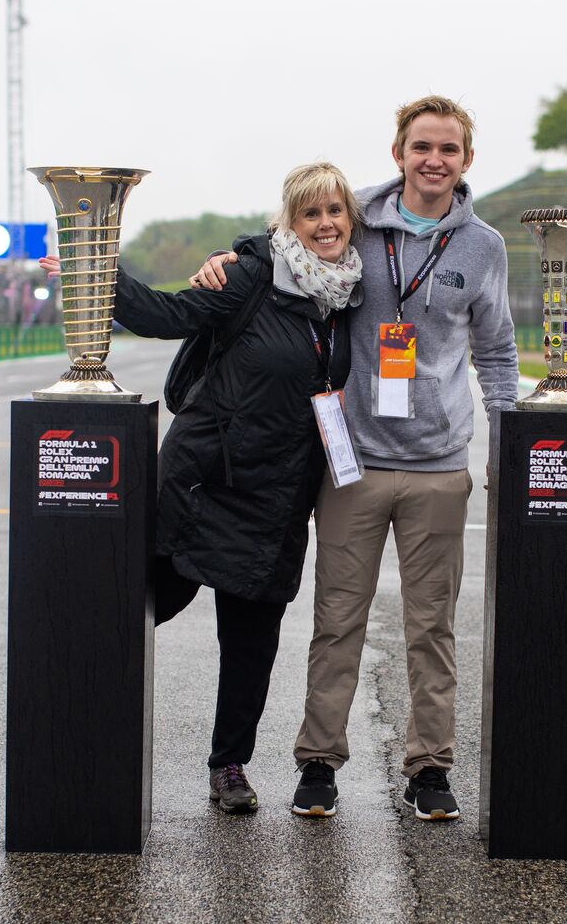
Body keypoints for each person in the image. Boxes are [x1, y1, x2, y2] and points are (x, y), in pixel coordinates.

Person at [194, 96, 518, 821]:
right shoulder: (362, 220)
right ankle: (318, 761)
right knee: (338, 618)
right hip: (353, 462)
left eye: (449, 150)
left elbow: (496, 350)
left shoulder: (483, 246)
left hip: (439, 464)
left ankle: (430, 768)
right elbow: (294, 233)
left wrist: (509, 440)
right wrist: (233, 255)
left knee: (430, 626)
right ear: (399, 152)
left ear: (466, 160)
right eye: (421, 147)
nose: (434, 160)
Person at [40, 162, 363, 815]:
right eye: (311, 214)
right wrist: (96, 269)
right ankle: (72, 722)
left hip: (276, 495)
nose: (325, 224)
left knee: (251, 642)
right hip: (203, 479)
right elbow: (167, 315)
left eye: (335, 211)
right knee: (142, 604)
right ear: (288, 222)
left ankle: (229, 767)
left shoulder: (352, 293)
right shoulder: (250, 275)